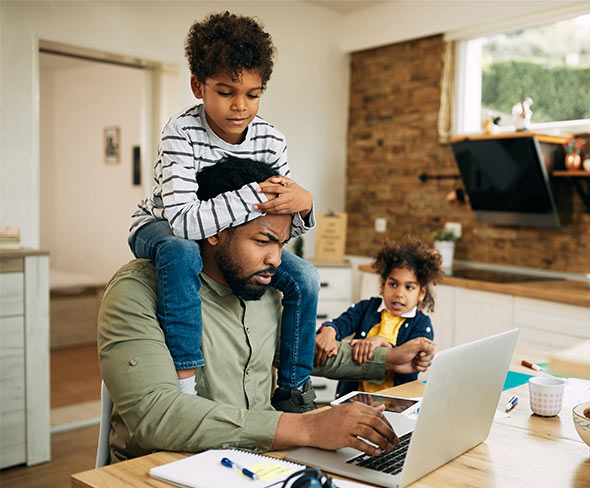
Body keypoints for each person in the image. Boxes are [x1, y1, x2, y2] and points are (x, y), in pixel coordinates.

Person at [98, 158, 436, 463]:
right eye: (262, 241)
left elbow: (297, 352)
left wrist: (388, 361)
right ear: (214, 230)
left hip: (261, 464)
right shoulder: (138, 290)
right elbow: (156, 416)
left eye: (282, 244)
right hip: (165, 469)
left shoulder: (265, 286)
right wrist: (307, 427)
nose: (276, 259)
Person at [128, 12, 319, 411]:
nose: (240, 106)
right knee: (182, 252)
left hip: (221, 236)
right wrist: (254, 194)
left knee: (304, 275)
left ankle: (294, 387)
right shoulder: (180, 132)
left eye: (252, 93)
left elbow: (274, 224)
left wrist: (304, 204)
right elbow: (183, 220)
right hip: (160, 223)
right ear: (198, 86)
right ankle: (185, 381)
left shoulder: (271, 139)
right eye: (226, 91)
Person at [314, 238, 442, 398]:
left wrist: (382, 343)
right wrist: (329, 330)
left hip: (394, 406)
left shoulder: (422, 324)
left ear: (421, 293)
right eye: (393, 284)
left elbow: (410, 361)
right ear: (383, 285)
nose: (399, 293)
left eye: (409, 287)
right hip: (354, 400)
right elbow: (340, 324)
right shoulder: (366, 308)